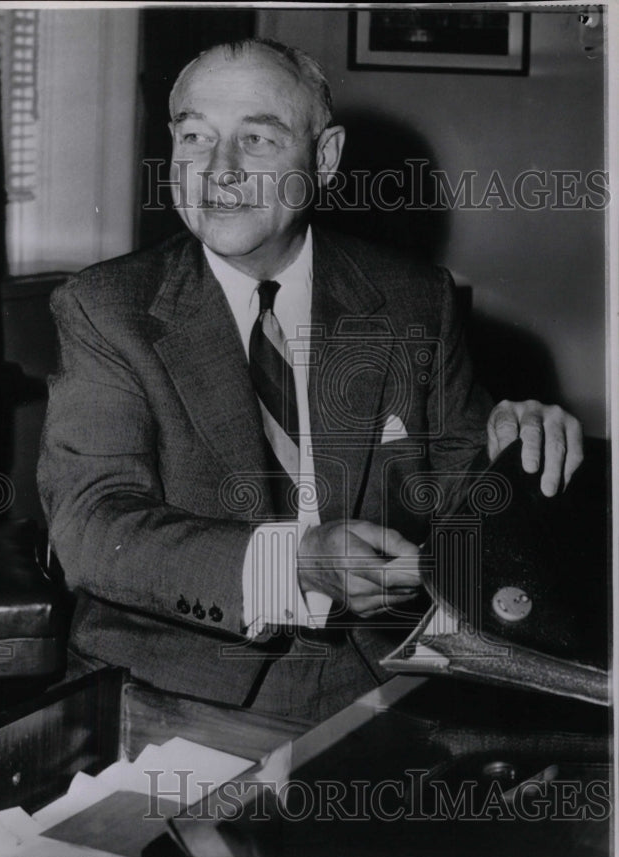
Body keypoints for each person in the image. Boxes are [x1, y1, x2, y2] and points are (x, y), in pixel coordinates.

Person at [37, 38, 583, 723]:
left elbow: (461, 513)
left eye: (257, 139)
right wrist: (292, 564)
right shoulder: (106, 309)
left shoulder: (414, 300)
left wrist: (518, 455)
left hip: (384, 681)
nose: (218, 171)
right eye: (195, 137)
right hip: (173, 690)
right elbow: (91, 529)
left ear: (323, 159)